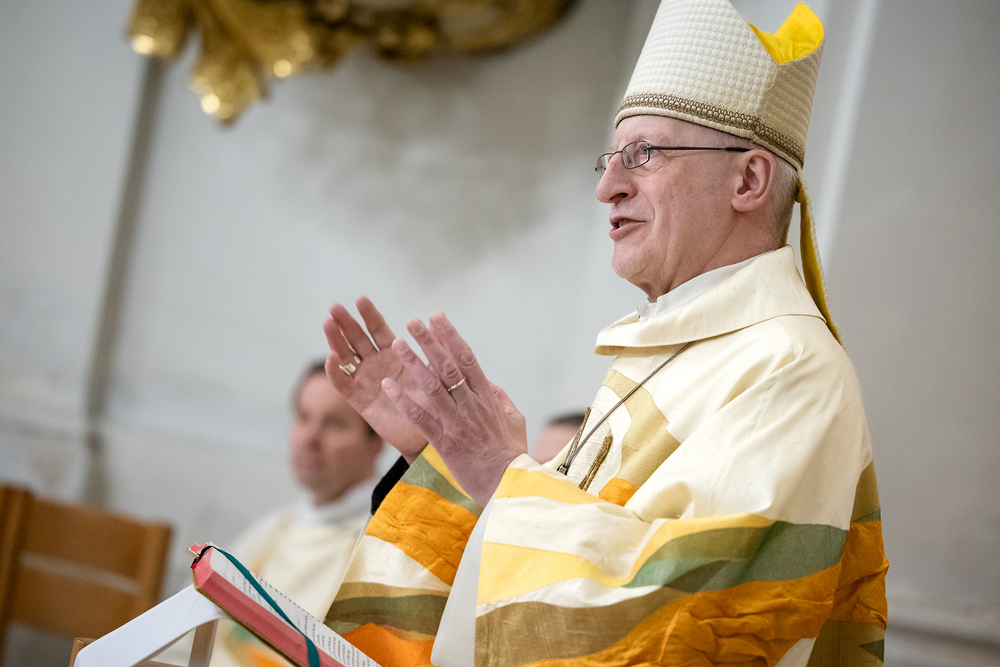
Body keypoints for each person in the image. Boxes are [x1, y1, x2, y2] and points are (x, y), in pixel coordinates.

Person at [320, 1, 889, 665]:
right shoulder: (675, 349)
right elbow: (557, 553)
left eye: (644, 154)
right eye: (611, 158)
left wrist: (501, 474)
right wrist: (442, 454)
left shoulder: (789, 370)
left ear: (749, 178)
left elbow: (690, 618)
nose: (608, 187)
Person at [210, 361, 383, 667]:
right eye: (304, 418)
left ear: (376, 443)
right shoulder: (272, 528)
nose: (310, 438)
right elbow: (184, 634)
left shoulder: (383, 552)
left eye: (333, 424)